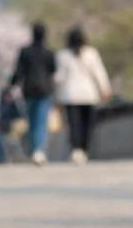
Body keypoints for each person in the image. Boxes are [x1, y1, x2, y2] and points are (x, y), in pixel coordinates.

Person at [54, 26, 111, 165]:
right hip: (88, 95)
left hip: (70, 95)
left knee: (74, 125)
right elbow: (99, 72)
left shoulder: (63, 55)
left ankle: (76, 150)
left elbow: (59, 77)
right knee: (87, 124)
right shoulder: (91, 54)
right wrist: (105, 88)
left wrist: (56, 93)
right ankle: (83, 150)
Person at [10, 23, 58, 166]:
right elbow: (54, 70)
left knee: (32, 121)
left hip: (29, 90)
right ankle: (39, 150)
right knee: (42, 120)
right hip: (45, 90)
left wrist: (12, 84)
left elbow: (18, 72)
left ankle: (35, 149)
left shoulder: (25, 52)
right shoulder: (48, 52)